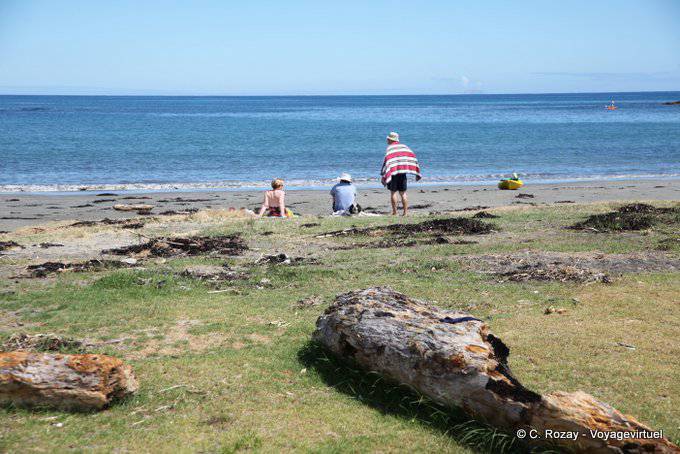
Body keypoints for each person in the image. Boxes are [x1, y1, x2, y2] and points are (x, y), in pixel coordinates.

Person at [380, 132, 421, 216]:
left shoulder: (390, 148)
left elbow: (387, 161)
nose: (387, 140)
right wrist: (416, 172)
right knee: (403, 193)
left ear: (390, 139)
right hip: (402, 173)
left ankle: (395, 212)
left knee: (393, 192)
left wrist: (383, 174)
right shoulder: (404, 147)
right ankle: (405, 213)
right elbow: (412, 157)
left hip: (393, 173)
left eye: (388, 139)